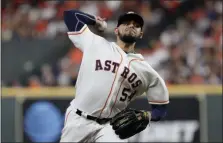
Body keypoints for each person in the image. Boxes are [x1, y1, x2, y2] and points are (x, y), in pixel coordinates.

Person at [60, 9, 169, 142]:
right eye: (126, 23)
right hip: (78, 120)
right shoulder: (95, 43)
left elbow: (160, 109)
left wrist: (147, 115)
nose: (131, 26)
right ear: (116, 30)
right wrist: (96, 21)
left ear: (141, 34)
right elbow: (70, 15)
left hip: (111, 127)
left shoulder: (147, 72)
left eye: (136, 25)